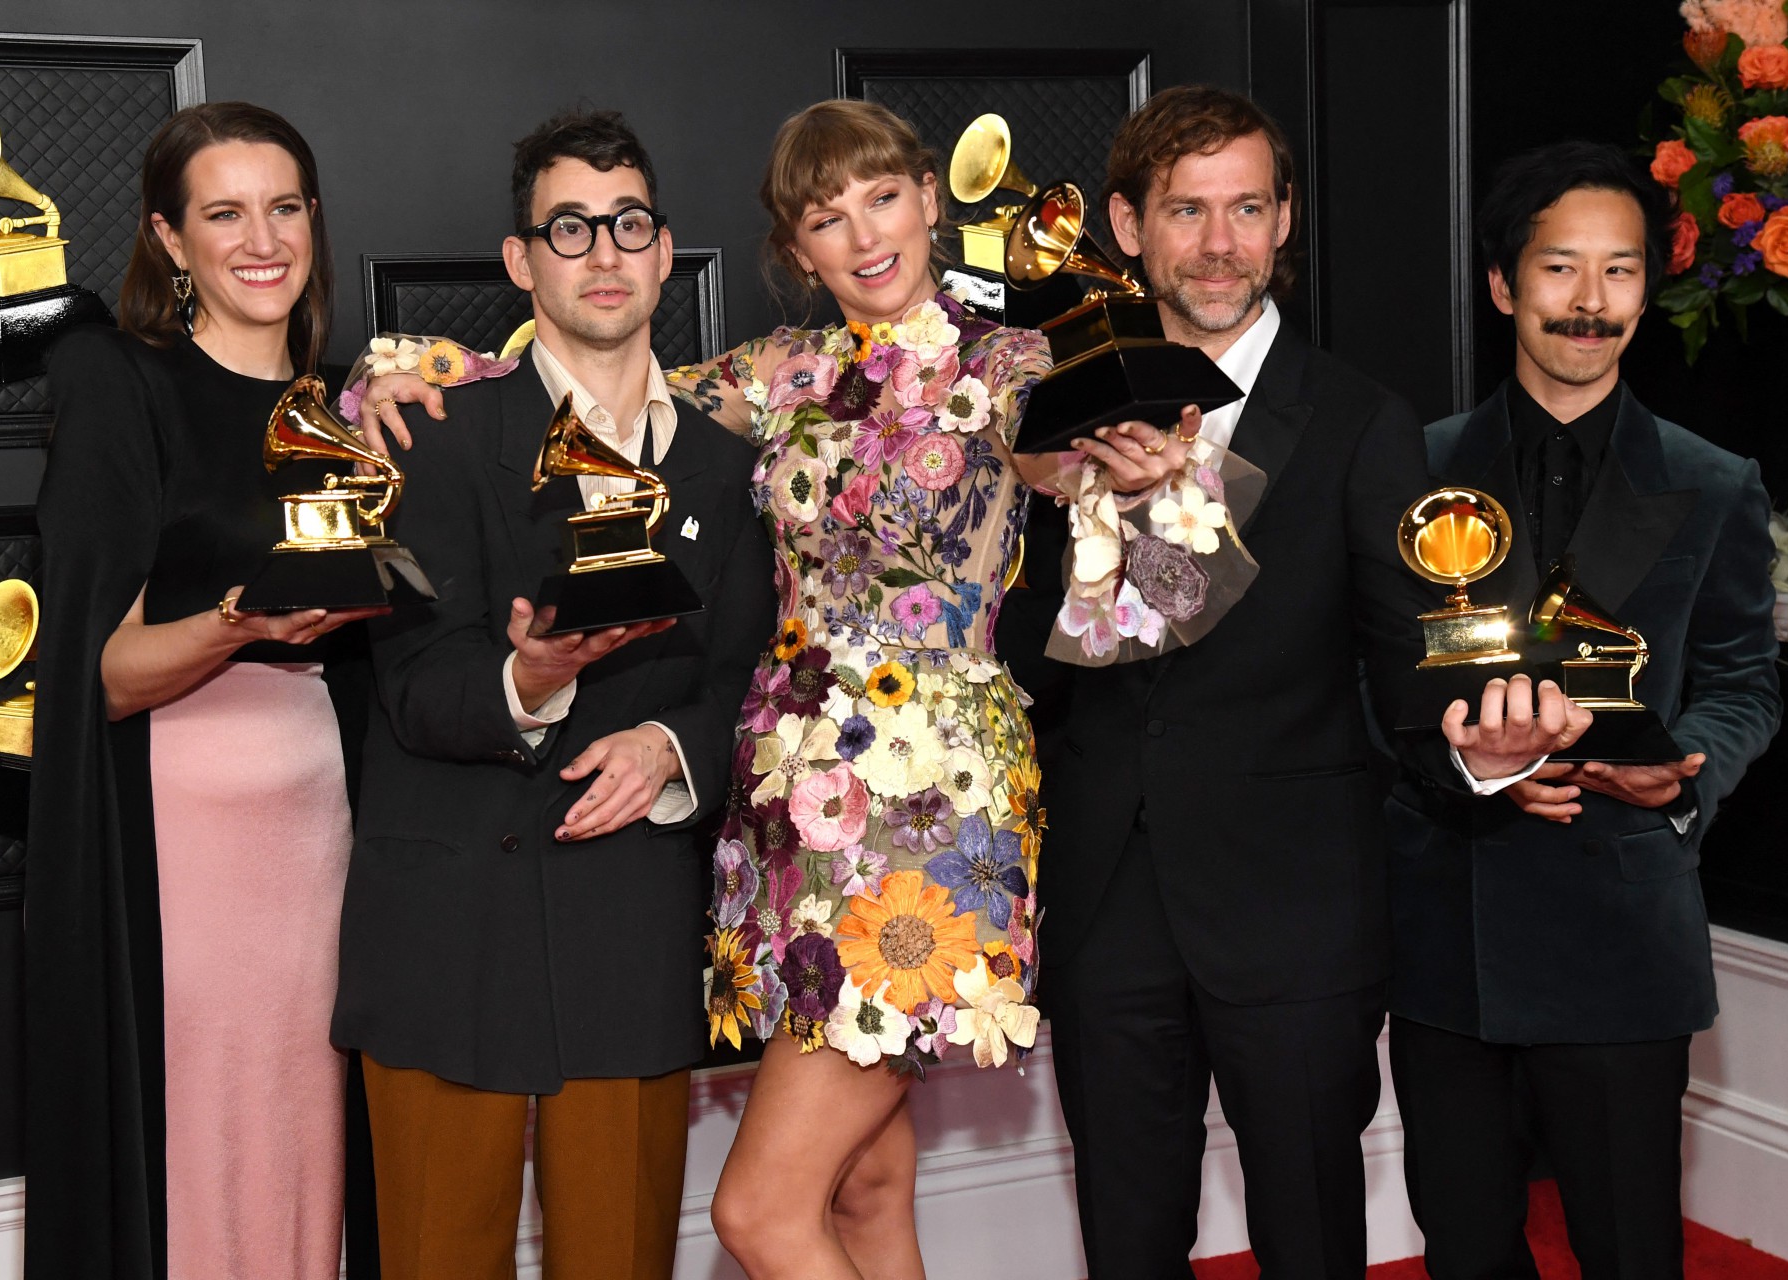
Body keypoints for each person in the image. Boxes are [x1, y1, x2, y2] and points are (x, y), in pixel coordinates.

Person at [357, 98, 1193, 1280]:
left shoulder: (1013, 367)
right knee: (863, 1183)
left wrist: (1144, 477)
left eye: (882, 198)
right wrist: (416, 372)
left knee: (758, 1212)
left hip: (925, 809)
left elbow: (1157, 563)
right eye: (824, 217)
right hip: (787, 811)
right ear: (795, 252)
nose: (864, 236)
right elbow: (592, 375)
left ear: (929, 199)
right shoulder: (776, 374)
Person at [996, 85, 1589, 1278]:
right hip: (1111, 891)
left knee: (1313, 1232)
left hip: (1297, 901)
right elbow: (1023, 664)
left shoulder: (1363, 418)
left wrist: (1482, 747)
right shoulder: (1050, 409)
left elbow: (1410, 654)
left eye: (1247, 208)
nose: (1219, 243)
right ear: (1127, 224)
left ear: (1283, 222)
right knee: (1125, 1233)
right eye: (1186, 210)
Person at [329, 109, 776, 1280]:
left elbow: (744, 679)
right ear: (522, 261)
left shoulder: (731, 471)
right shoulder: (432, 435)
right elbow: (414, 681)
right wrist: (526, 681)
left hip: (624, 930)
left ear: (666, 249)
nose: (605, 251)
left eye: (628, 222)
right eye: (569, 228)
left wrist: (670, 752)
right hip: (441, 934)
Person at [1384, 140, 1781, 1278]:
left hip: (1621, 919)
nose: (1589, 302)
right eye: (1561, 269)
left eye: (1619, 272)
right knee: (1463, 1245)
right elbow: (1377, 687)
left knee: (1628, 1245)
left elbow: (1744, 681)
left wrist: (1685, 764)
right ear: (1507, 284)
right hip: (1448, 924)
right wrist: (1467, 764)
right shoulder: (1415, 472)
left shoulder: (1712, 481)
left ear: (1647, 290)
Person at [29, 102, 373, 1280]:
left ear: (314, 223)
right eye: (224, 213)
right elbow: (104, 675)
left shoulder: (352, 408)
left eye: (283, 207)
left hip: (325, 824)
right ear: (172, 241)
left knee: (312, 1124)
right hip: (190, 837)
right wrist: (242, 621)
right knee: (203, 1130)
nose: (260, 238)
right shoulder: (126, 385)